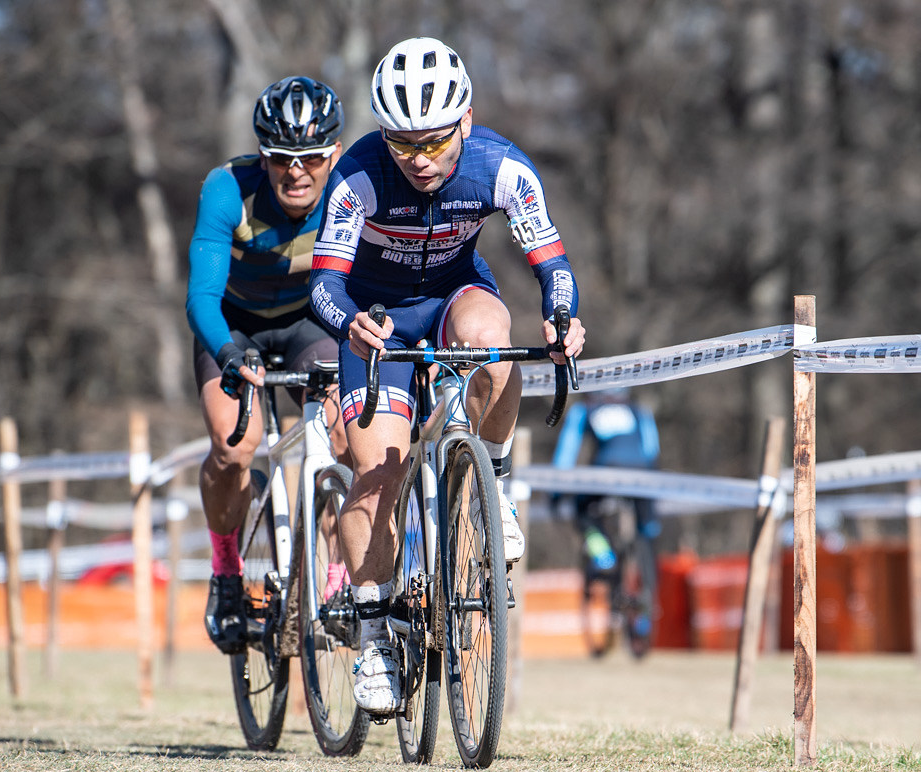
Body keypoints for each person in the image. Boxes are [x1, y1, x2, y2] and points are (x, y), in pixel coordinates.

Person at [308, 37, 586, 713]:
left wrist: (562, 317)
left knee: (493, 336)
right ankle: (374, 638)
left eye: (433, 141)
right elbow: (322, 287)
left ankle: (496, 482)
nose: (421, 160)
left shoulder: (502, 168)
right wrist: (349, 324)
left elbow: (552, 264)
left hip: (455, 296)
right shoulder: (358, 176)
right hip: (376, 322)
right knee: (377, 481)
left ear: (464, 121)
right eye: (403, 144)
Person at [186, 76, 348, 655]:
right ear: (263, 155)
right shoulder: (228, 188)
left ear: (332, 153)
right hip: (234, 326)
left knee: (343, 435)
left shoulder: (351, 187)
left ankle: (335, 580)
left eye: (309, 158)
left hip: (310, 322)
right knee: (235, 447)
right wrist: (227, 353)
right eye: (281, 158)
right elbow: (201, 296)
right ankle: (227, 569)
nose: (295, 172)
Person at [551, 387, 661, 574]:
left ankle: (604, 556)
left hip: (606, 470)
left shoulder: (584, 409)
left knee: (581, 510)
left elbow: (567, 452)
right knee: (647, 526)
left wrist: (556, 492)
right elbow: (652, 450)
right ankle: (649, 578)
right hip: (641, 473)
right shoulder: (638, 409)